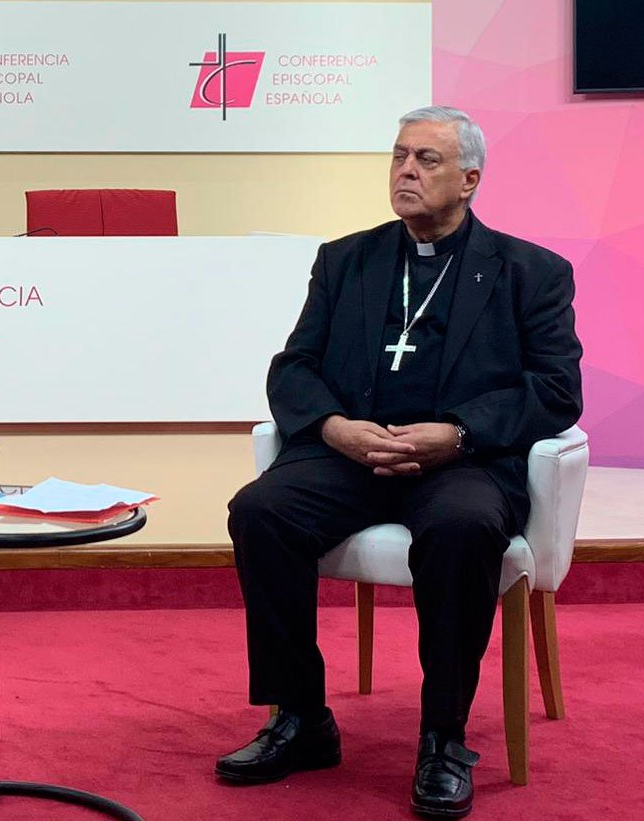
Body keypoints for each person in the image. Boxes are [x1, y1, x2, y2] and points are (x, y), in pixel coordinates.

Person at [216, 106, 581, 818]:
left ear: (469, 179)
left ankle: (443, 737)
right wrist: (335, 429)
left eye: (426, 160)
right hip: (353, 455)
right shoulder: (346, 260)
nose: (405, 171)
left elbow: (556, 389)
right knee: (260, 511)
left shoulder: (530, 273)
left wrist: (459, 433)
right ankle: (301, 716)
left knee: (462, 527)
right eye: (399, 156)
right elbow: (293, 367)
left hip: (462, 462)